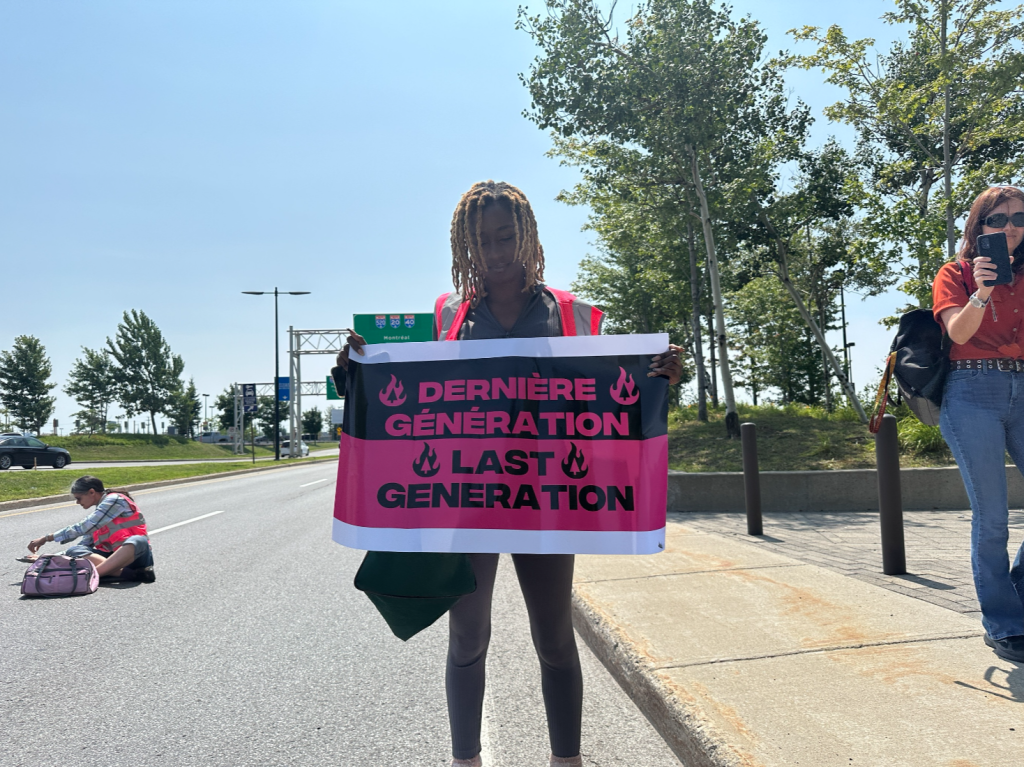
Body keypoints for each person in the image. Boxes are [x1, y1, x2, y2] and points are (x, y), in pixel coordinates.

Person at [334, 181, 682, 766]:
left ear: (528, 236)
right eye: (481, 241)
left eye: (505, 237)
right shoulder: (449, 314)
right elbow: (415, 403)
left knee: (553, 640)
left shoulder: (571, 312)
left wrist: (662, 375)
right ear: (463, 245)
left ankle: (565, 761)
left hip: (547, 498)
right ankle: (466, 760)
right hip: (467, 499)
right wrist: (356, 373)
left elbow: (607, 401)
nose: (495, 253)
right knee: (468, 639)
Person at [933, 185, 1024, 663]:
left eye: (1019, 219)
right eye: (998, 220)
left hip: (1023, 388)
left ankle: (1018, 599)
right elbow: (958, 333)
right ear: (978, 227)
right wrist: (983, 290)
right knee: (993, 517)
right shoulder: (955, 274)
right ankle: (1004, 623)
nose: (1009, 228)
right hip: (972, 393)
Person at [27, 475, 156, 583]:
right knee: (74, 550)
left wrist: (47, 538)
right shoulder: (100, 511)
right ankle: (124, 574)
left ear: (92, 492)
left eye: (79, 498)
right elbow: (85, 543)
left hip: (134, 557)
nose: (77, 502)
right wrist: (48, 558)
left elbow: (84, 526)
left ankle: (90, 575)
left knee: (138, 540)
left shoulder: (115, 500)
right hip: (111, 560)